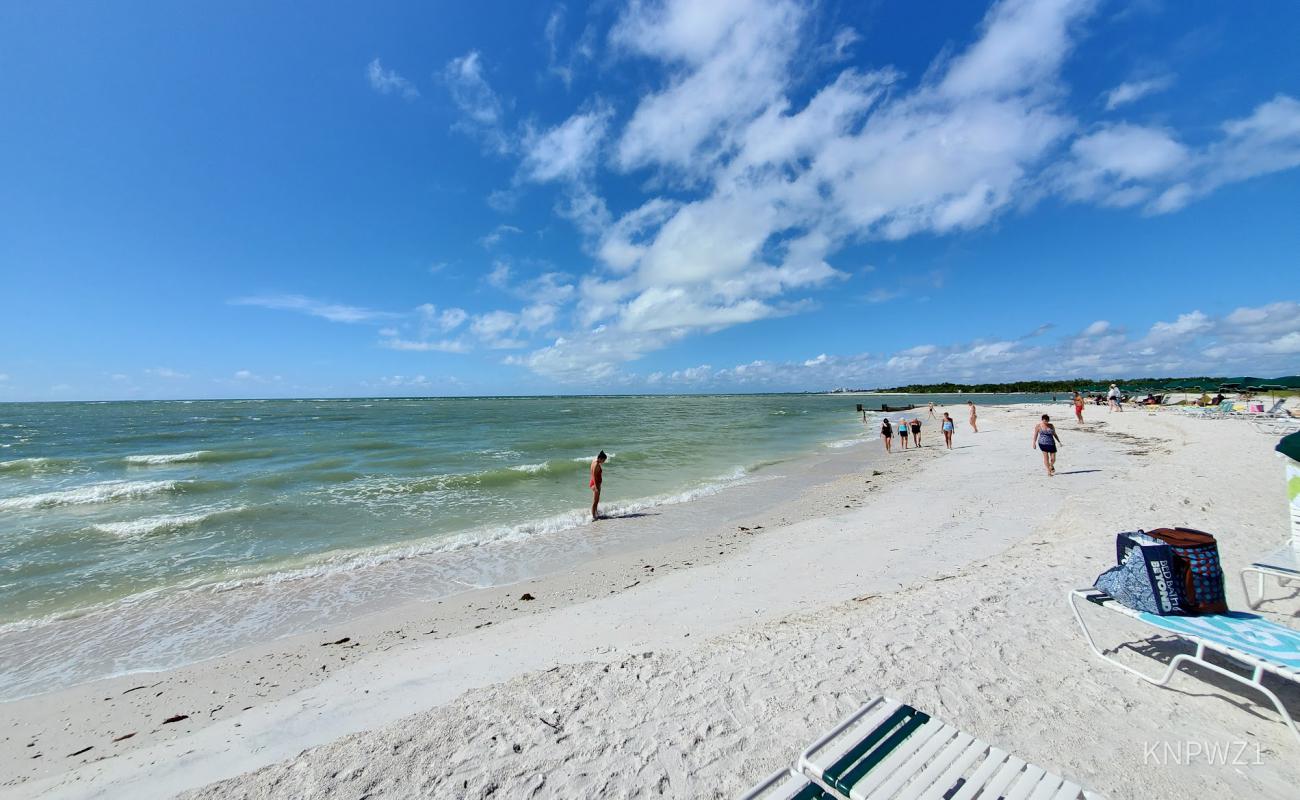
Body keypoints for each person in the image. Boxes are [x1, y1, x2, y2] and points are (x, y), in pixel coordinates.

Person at [589, 451, 607, 520]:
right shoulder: (596, 465)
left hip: (596, 484)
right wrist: (596, 487)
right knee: (595, 501)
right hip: (595, 484)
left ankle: (596, 513)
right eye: (603, 460)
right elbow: (593, 475)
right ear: (600, 458)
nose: (604, 461)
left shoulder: (594, 461)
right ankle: (593, 517)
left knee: (597, 500)